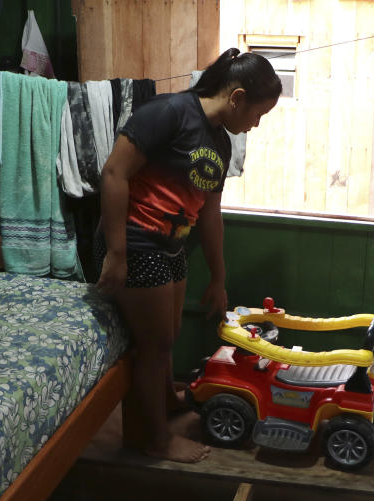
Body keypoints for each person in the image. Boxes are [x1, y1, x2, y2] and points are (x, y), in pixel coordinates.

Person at [95, 49, 282, 463]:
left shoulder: (220, 141)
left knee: (168, 338)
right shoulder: (169, 112)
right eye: (258, 113)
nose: (256, 123)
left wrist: (218, 278)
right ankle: (156, 441)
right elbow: (114, 173)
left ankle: (165, 403)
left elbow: (210, 214)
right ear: (236, 97)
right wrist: (116, 253)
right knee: (155, 347)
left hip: (172, 244)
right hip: (137, 241)